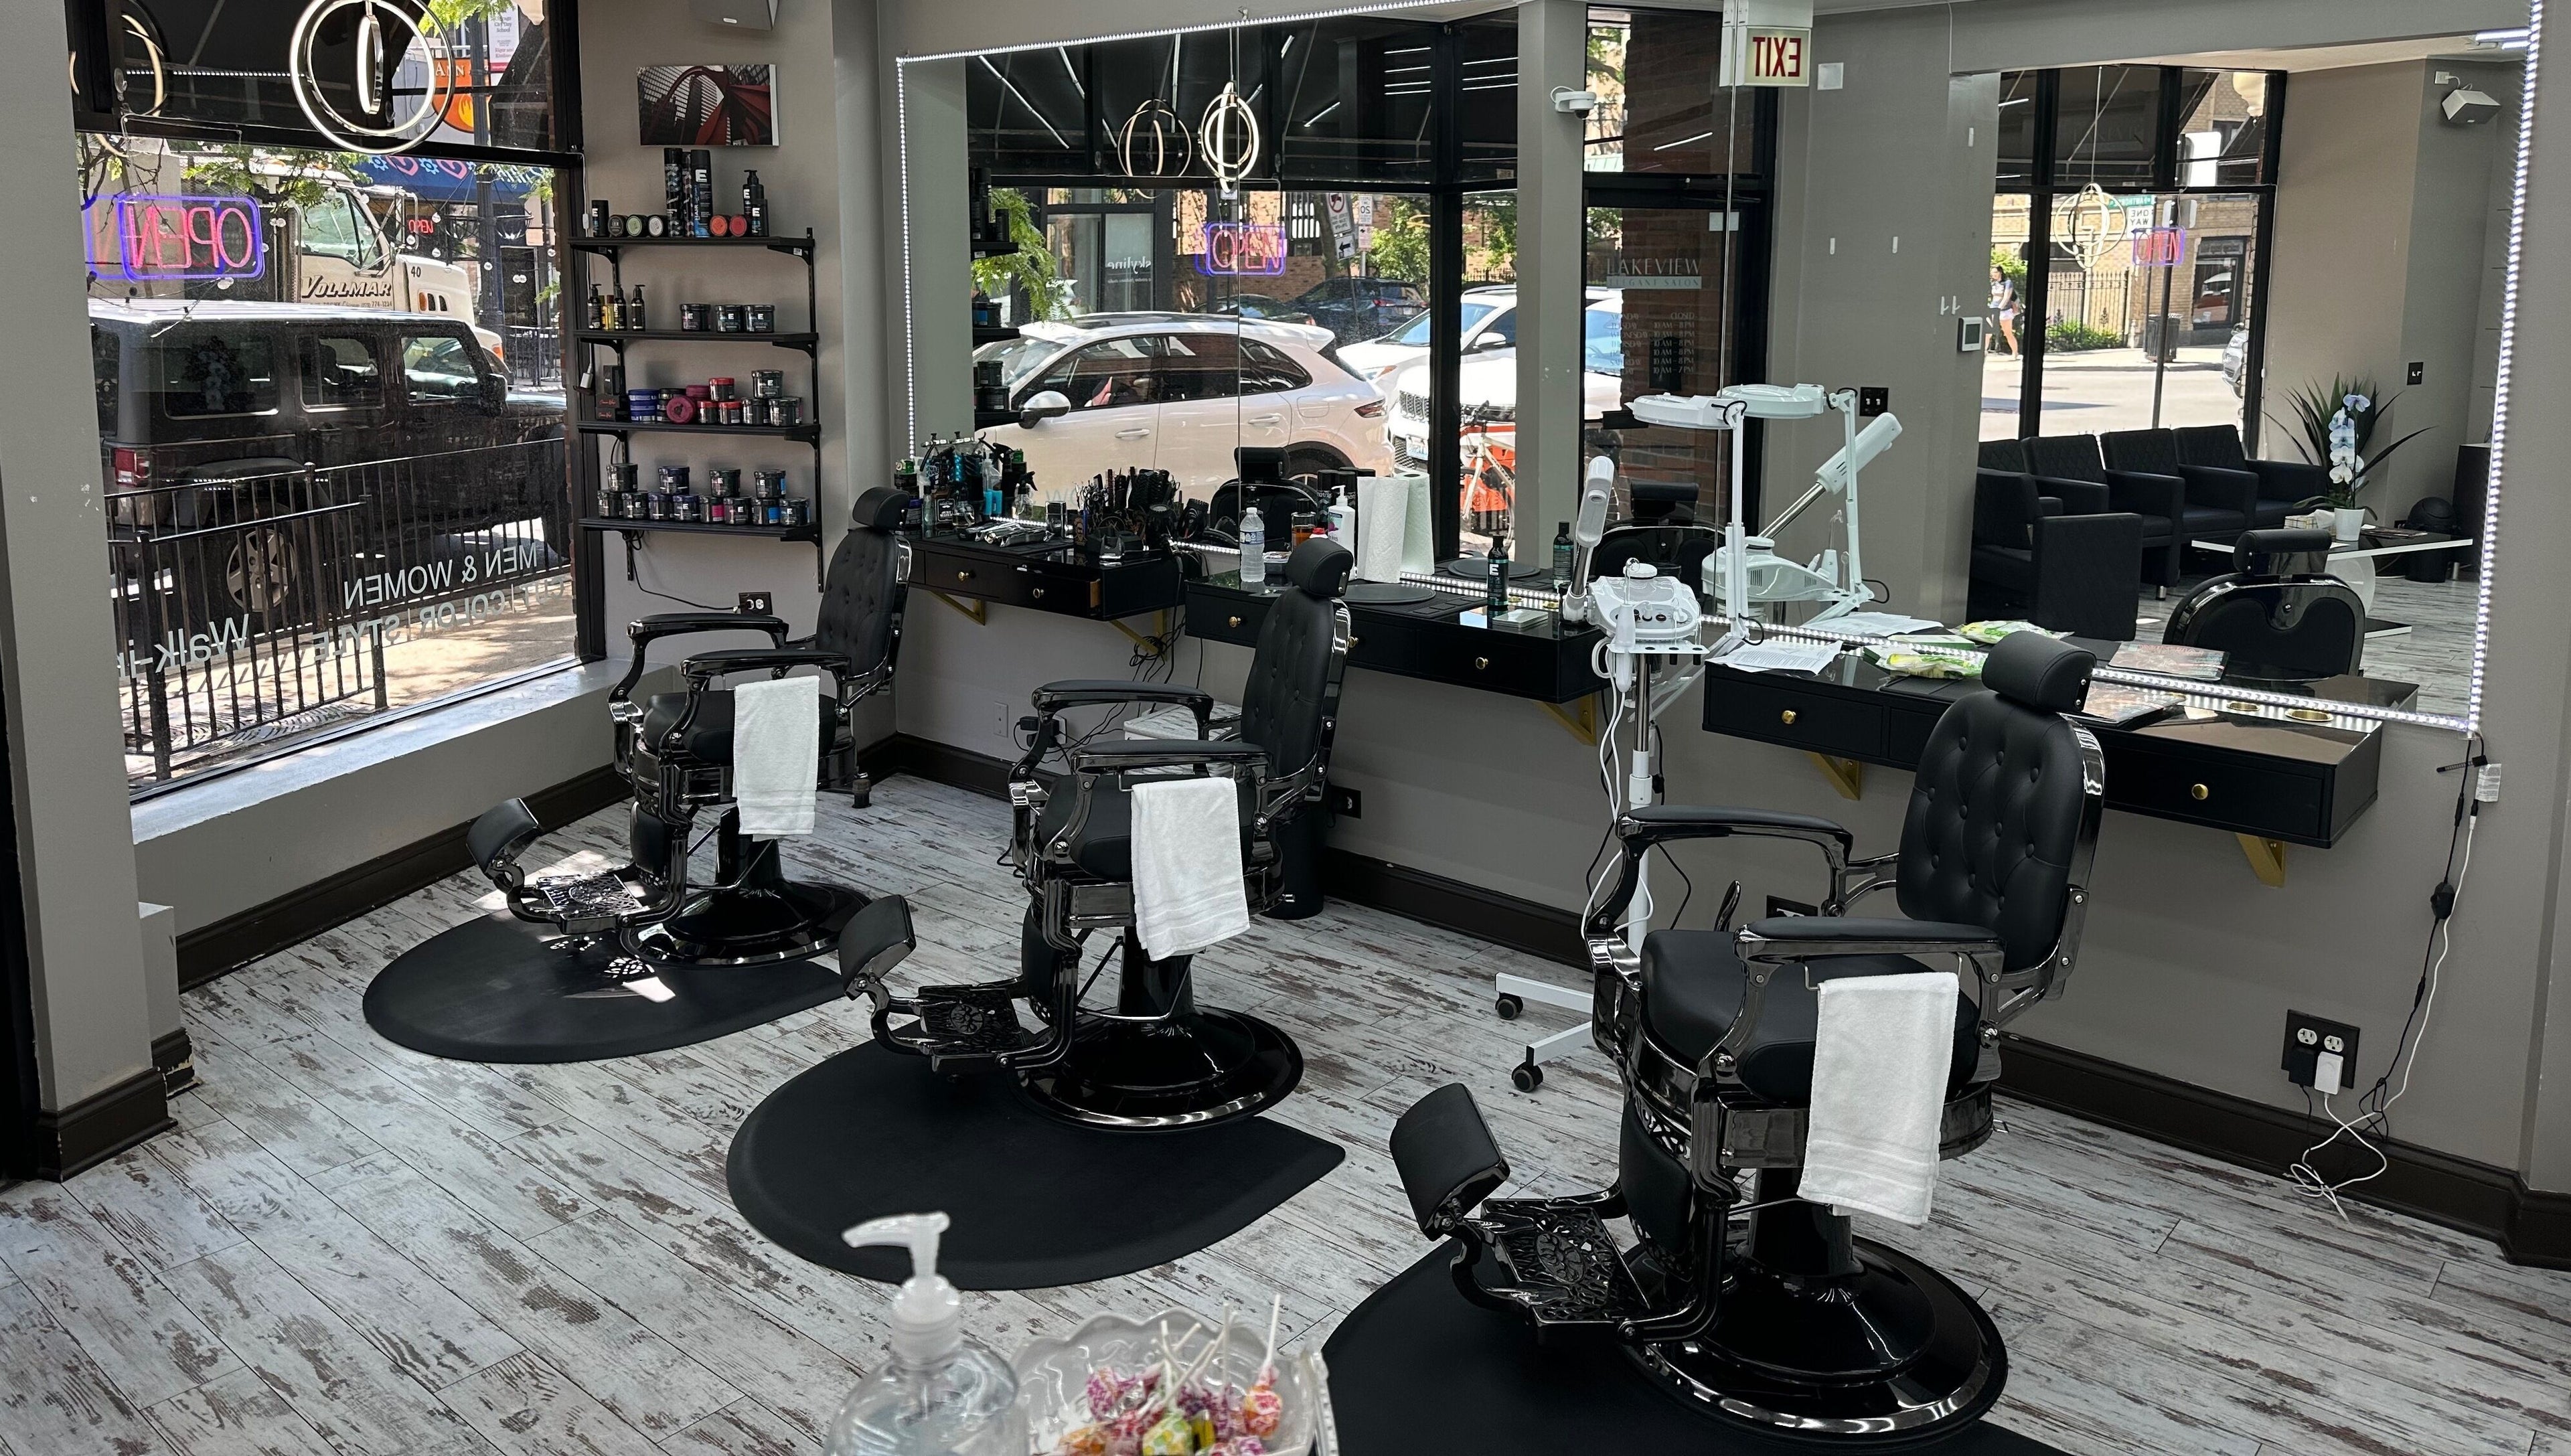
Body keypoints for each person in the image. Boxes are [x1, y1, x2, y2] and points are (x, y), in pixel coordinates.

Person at [1989, 264, 2020, 356]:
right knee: (1988, 332)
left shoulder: (2007, 283)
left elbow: (2007, 297)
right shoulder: (1993, 282)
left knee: (2008, 333)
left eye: (1995, 272)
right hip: (1993, 308)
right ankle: (1984, 352)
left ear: (2000, 273)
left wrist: (1999, 309)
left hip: (2004, 311)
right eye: (1992, 272)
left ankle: (2015, 352)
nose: (1993, 274)